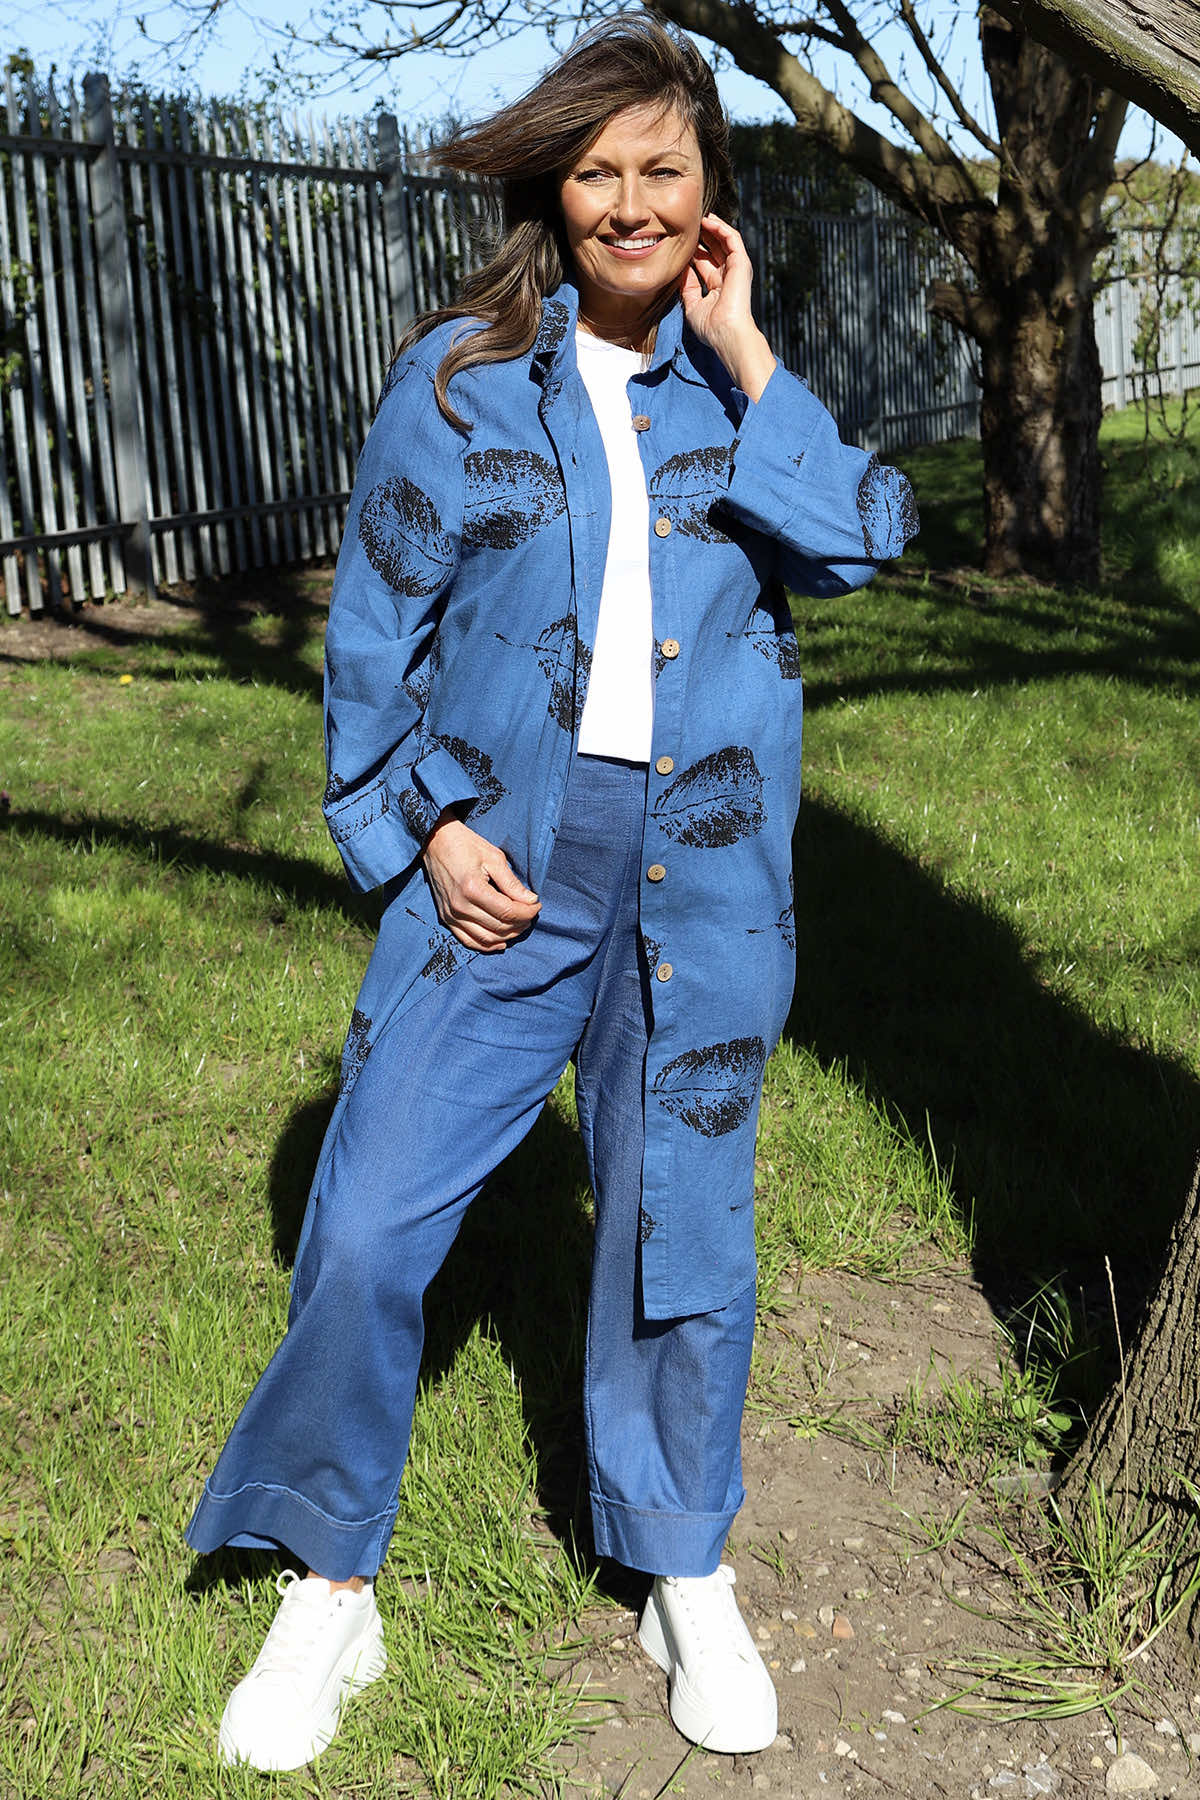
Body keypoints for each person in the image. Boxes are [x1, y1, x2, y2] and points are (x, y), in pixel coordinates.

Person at [187, 12, 918, 1773]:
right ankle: (330, 1582)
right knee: (368, 1226)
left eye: (666, 168)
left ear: (712, 191)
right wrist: (428, 829)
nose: (632, 202)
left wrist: (748, 348)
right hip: (503, 865)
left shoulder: (736, 392)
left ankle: (681, 1562)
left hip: (705, 881)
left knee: (683, 1226)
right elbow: (376, 638)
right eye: (599, 171)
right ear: (553, 190)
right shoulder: (458, 379)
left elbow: (866, 535)